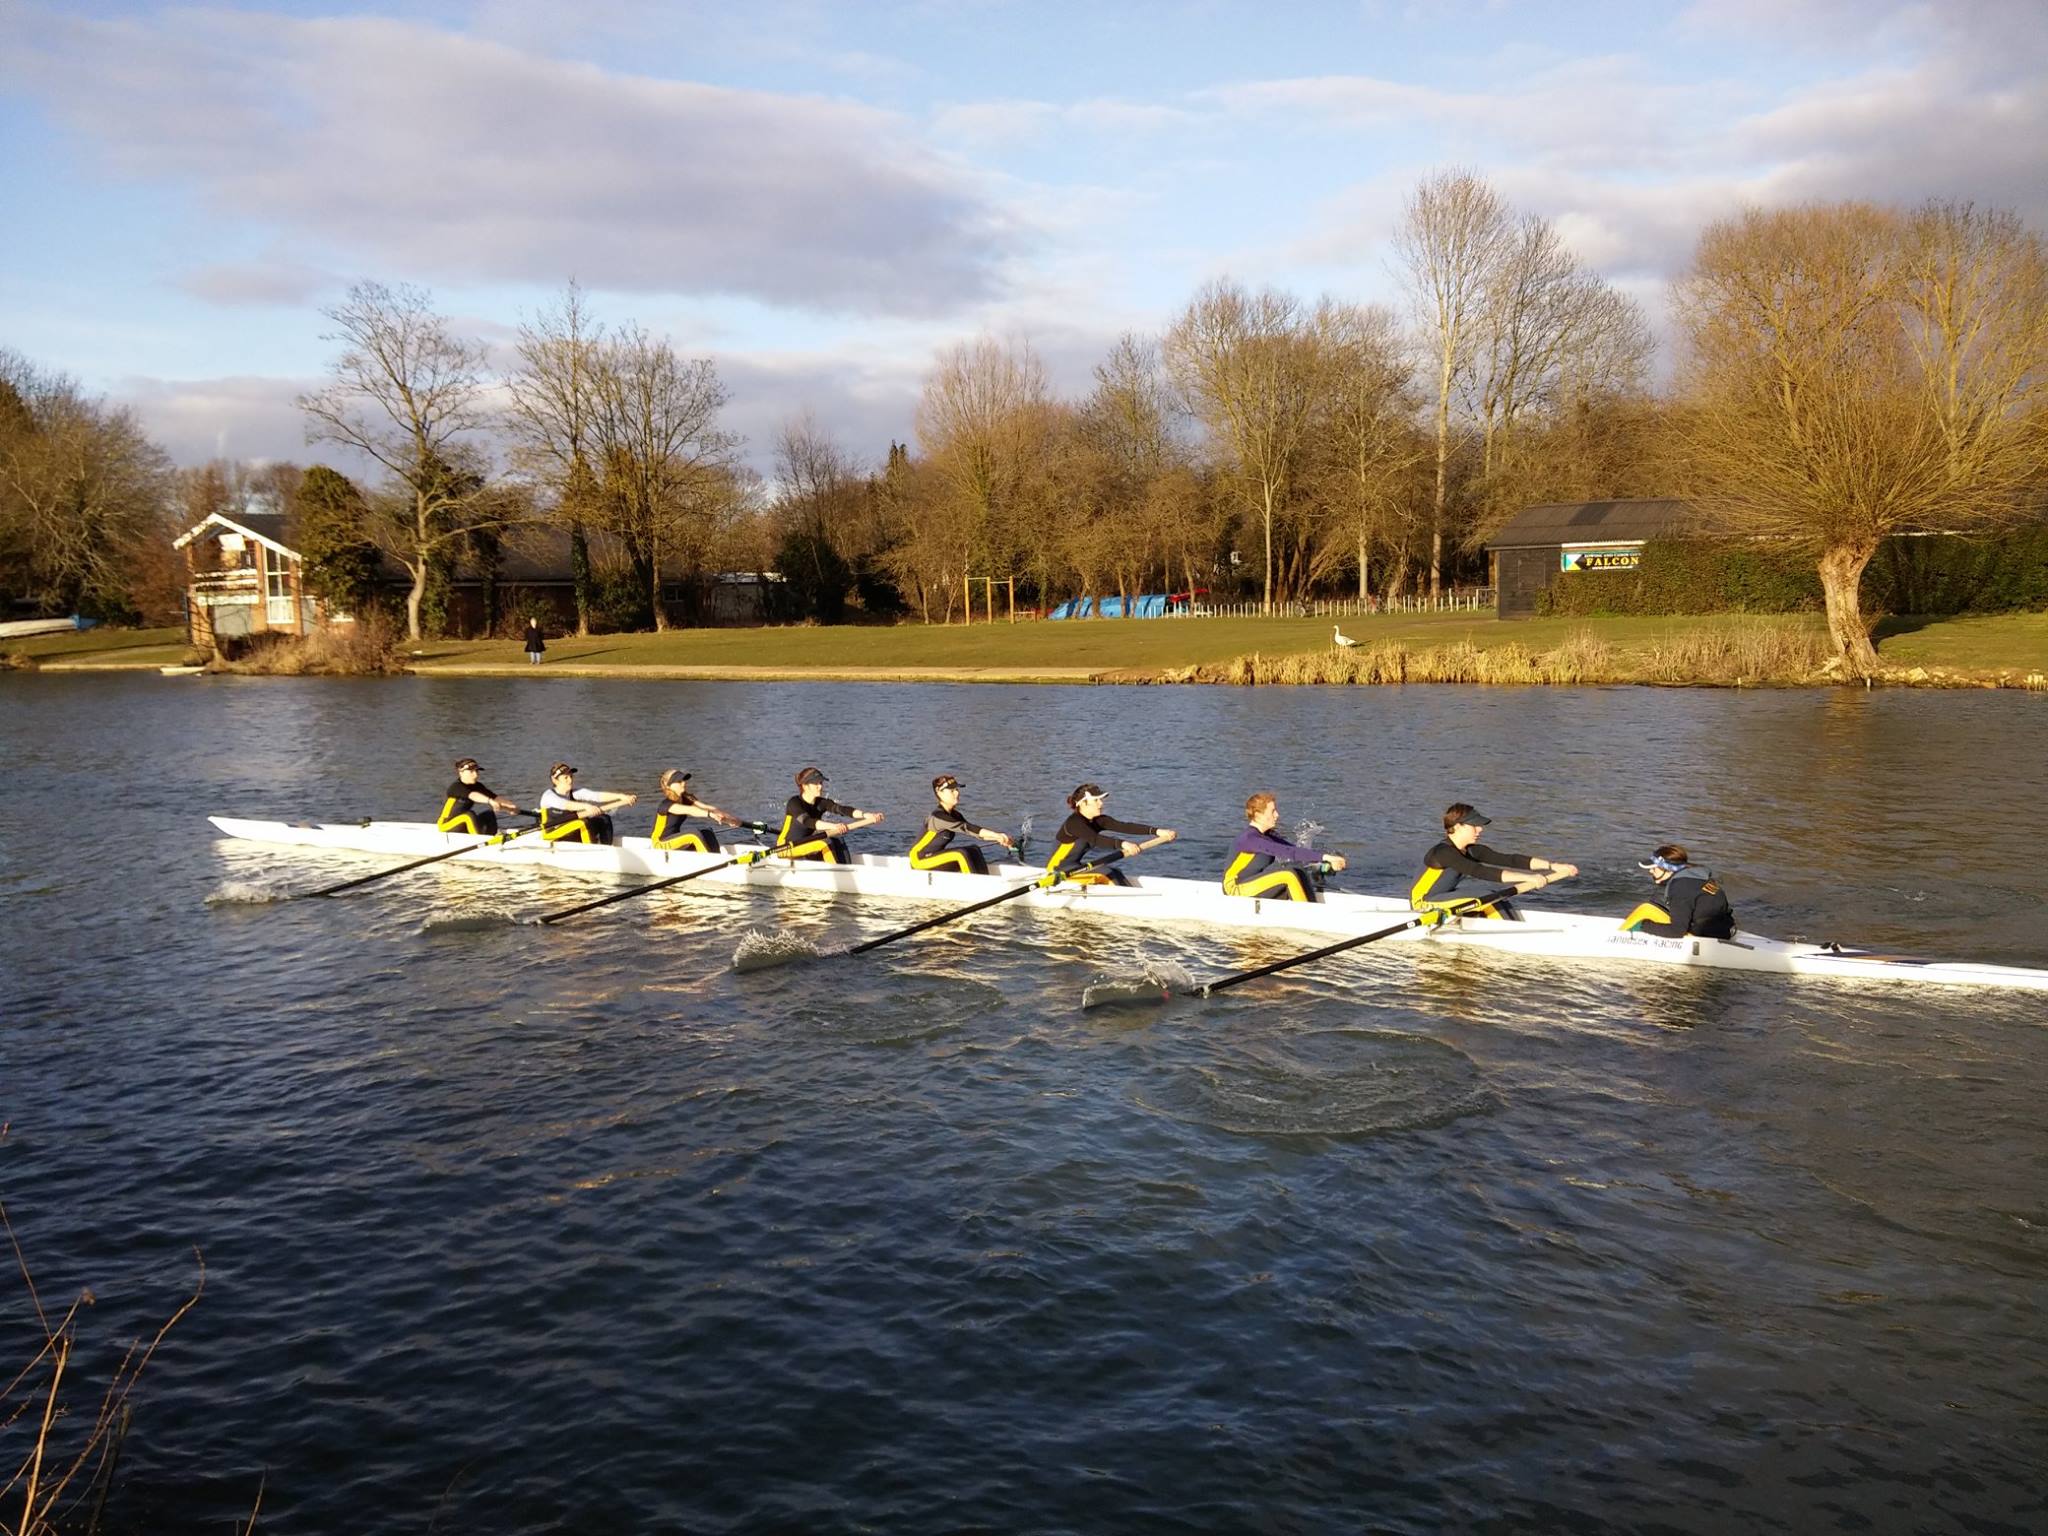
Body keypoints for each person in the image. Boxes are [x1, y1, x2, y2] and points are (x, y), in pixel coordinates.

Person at [1410, 804, 1576, 921]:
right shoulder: (1443, 852)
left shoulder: (1472, 850)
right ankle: (1509, 934)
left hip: (1443, 897)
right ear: (1458, 826)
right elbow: (1479, 871)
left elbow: (1510, 859)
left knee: (1496, 896)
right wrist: (1528, 878)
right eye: (1474, 825)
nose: (1480, 829)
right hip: (1423, 903)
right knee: (1486, 897)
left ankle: (1512, 926)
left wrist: (1553, 866)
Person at [1223, 792, 1345, 902]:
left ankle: (1312, 907)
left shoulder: (1267, 836)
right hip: (1235, 888)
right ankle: (1308, 915)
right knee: (1288, 875)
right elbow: (1288, 852)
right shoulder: (1249, 839)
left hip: (1252, 885)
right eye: (1272, 811)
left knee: (1298, 871)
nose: (1277, 815)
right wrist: (1327, 857)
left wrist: (1325, 862)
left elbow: (1295, 851)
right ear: (1258, 814)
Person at [1045, 783, 1175, 886]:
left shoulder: (1099, 820)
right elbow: (1096, 839)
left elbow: (1125, 827)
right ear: (1083, 803)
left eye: (1101, 800)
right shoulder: (1074, 823)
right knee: (1107, 873)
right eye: (1096, 800)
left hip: (1075, 866)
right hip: (1058, 870)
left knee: (1116, 872)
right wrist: (1123, 844)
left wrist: (1158, 831)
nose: (1101, 803)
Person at [908, 774, 1016, 875]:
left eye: (956, 789)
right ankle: (974, 887)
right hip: (919, 860)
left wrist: (1000, 838)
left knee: (974, 850)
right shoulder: (938, 817)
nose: (957, 793)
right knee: (960, 854)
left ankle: (984, 880)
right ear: (939, 792)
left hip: (934, 857)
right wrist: (997, 835)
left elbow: (975, 833)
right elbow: (968, 829)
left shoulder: (955, 815)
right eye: (951, 790)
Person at [1623, 845, 1736, 939]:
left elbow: (1677, 931)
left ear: (1668, 869)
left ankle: (1619, 936)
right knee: (1654, 904)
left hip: (1708, 936)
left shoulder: (1680, 888)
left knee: (1646, 909)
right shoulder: (1694, 876)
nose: (1650, 871)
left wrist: (1643, 925)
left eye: (1654, 868)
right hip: (1726, 927)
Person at [776, 767, 883, 864]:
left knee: (837, 839)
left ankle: (846, 868)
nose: (820, 786)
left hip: (805, 843)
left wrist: (866, 815)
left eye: (821, 783)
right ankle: (837, 874)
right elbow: (808, 822)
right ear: (805, 786)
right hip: (785, 847)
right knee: (824, 844)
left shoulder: (821, 803)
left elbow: (843, 810)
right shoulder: (794, 803)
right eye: (816, 784)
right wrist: (833, 826)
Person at [537, 762, 636, 845]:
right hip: (553, 833)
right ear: (555, 780)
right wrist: (587, 806)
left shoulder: (574, 792)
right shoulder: (548, 796)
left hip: (571, 830)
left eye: (571, 776)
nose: (570, 780)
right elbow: (567, 805)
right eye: (566, 778)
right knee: (583, 822)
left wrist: (621, 796)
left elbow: (597, 796)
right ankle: (591, 852)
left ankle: (607, 848)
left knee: (604, 818)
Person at [650, 769, 747, 853]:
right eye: (679, 781)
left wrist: (731, 820)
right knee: (693, 835)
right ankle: (709, 862)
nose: (684, 783)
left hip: (674, 840)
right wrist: (710, 815)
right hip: (660, 843)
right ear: (669, 786)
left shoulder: (686, 798)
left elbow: (708, 808)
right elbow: (691, 810)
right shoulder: (666, 805)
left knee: (707, 833)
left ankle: (717, 858)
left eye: (683, 780)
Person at [437, 757, 521, 837]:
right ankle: (478, 839)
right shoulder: (456, 787)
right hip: (446, 825)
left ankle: (492, 838)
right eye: (471, 772)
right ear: (461, 772)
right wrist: (489, 801)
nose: (475, 775)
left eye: (477, 771)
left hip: (462, 822)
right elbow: (473, 795)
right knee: (469, 815)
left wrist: (511, 807)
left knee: (489, 814)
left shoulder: (477, 786)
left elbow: (495, 798)